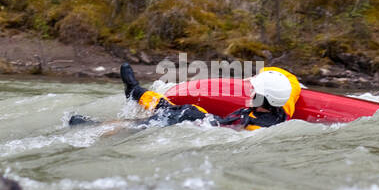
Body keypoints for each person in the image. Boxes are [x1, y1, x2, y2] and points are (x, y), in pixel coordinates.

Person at [120, 62, 300, 129]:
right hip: (218, 120)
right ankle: (134, 91)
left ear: (265, 98)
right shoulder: (284, 105)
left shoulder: (254, 127)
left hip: (214, 126)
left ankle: (121, 125)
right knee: (187, 110)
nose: (250, 90)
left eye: (254, 89)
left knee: (182, 113)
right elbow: (290, 78)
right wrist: (258, 76)